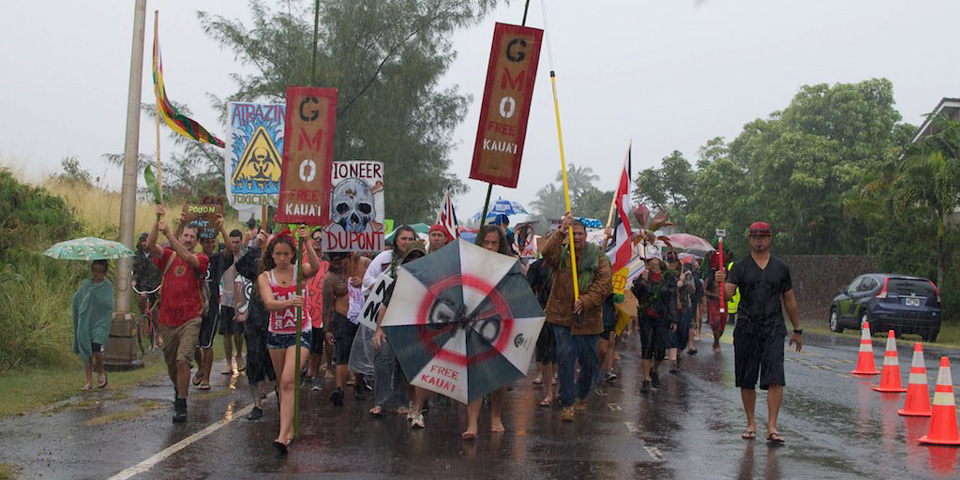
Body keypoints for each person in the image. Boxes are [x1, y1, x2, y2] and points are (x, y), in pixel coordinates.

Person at [715, 221, 802, 444]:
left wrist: (797, 329)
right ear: (750, 240)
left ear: (769, 238)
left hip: (773, 328)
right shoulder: (740, 266)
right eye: (755, 237)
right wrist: (722, 283)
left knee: (776, 378)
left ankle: (772, 425)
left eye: (762, 236)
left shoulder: (781, 268)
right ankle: (751, 422)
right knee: (747, 378)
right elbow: (728, 296)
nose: (759, 241)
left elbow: (789, 299)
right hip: (746, 328)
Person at [541, 214, 612, 422]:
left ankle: (582, 394)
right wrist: (561, 231)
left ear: (586, 236)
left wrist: (586, 301)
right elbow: (546, 252)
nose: (577, 237)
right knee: (565, 360)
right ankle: (567, 403)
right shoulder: (562, 255)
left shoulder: (598, 258)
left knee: (589, 363)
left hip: (589, 320)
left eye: (580, 234)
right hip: (563, 319)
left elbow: (604, 285)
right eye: (574, 234)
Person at [258, 226, 321, 454]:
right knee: (282, 385)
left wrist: (308, 243)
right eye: (278, 254)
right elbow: (269, 303)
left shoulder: (299, 272)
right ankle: (289, 426)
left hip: (300, 332)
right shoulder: (265, 277)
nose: (283, 258)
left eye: (286, 254)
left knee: (287, 381)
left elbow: (314, 267)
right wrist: (288, 303)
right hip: (276, 335)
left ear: (292, 254)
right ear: (271, 256)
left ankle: (282, 436)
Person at [146, 205, 209, 423]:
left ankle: (181, 402)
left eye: (192, 236)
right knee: (172, 363)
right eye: (186, 235)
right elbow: (150, 245)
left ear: (197, 241)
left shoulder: (201, 259)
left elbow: (187, 257)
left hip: (191, 318)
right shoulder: (169, 257)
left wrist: (170, 233)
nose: (188, 239)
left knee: (183, 360)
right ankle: (178, 388)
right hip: (168, 320)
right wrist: (158, 221)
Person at [461, 225, 518, 438]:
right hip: (474, 323)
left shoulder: (510, 266)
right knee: (475, 374)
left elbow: (517, 293)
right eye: (486, 242)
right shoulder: (471, 263)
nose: (490, 247)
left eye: (494, 243)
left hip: (502, 323)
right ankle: (472, 424)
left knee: (498, 375)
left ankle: (496, 416)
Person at [371, 241, 427, 421]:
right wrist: (379, 330)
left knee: (411, 367)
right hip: (395, 330)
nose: (415, 261)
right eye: (411, 257)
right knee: (383, 356)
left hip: (419, 333)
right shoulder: (397, 282)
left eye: (419, 258)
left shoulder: (432, 283)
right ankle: (380, 402)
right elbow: (384, 307)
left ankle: (407, 403)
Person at [233, 229, 275, 422]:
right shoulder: (257, 259)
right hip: (256, 319)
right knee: (254, 361)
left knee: (275, 364)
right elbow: (241, 266)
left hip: (277, 319)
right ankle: (256, 404)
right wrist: (254, 247)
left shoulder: (283, 263)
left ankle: (282, 400)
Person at [323, 250, 366, 406]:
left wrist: (364, 282)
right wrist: (327, 330)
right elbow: (327, 306)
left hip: (361, 318)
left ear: (348, 259)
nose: (337, 266)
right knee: (342, 354)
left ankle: (359, 383)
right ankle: (339, 388)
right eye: (334, 263)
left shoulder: (361, 266)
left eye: (340, 262)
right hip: (342, 319)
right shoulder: (330, 279)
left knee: (359, 353)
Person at [193, 215, 231, 390]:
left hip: (213, 305)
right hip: (194, 305)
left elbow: (230, 249)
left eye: (212, 242)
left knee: (207, 342)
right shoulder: (194, 259)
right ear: (200, 242)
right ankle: (200, 367)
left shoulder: (217, 259)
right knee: (192, 342)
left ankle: (206, 377)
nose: (210, 245)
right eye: (207, 242)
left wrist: (221, 228)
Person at [631, 250, 677, 394]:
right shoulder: (643, 276)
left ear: (657, 261)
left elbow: (671, 299)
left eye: (649, 260)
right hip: (646, 317)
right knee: (647, 346)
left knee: (660, 349)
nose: (647, 263)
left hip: (662, 318)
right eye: (645, 261)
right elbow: (636, 294)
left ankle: (654, 370)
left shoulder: (668, 278)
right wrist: (642, 282)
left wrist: (674, 318)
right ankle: (646, 379)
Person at [72, 260, 113, 390]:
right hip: (86, 321)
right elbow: (77, 299)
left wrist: (95, 297)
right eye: (95, 270)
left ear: (104, 272)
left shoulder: (107, 286)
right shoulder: (86, 285)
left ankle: (101, 371)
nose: (96, 273)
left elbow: (108, 304)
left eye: (99, 271)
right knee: (87, 348)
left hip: (101, 322)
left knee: (97, 347)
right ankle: (89, 381)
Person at [526, 250, 557, 406]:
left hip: (563, 314)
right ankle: (548, 393)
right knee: (544, 351)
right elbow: (528, 288)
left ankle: (559, 388)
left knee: (561, 352)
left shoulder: (569, 265)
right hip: (543, 311)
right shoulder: (537, 266)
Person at [219, 229, 245, 375]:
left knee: (238, 332)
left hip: (239, 299)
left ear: (241, 242)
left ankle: (239, 355)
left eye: (237, 242)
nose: (234, 245)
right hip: (226, 299)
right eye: (232, 242)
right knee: (226, 332)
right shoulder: (224, 257)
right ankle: (228, 362)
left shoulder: (243, 258)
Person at [665, 252, 695, 373]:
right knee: (672, 333)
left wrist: (684, 283)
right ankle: (673, 362)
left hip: (684, 307)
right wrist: (676, 284)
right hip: (670, 309)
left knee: (683, 334)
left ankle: (678, 352)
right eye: (669, 262)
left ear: (677, 262)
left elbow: (693, 290)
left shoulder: (686, 273)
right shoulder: (666, 275)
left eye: (673, 262)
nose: (671, 265)